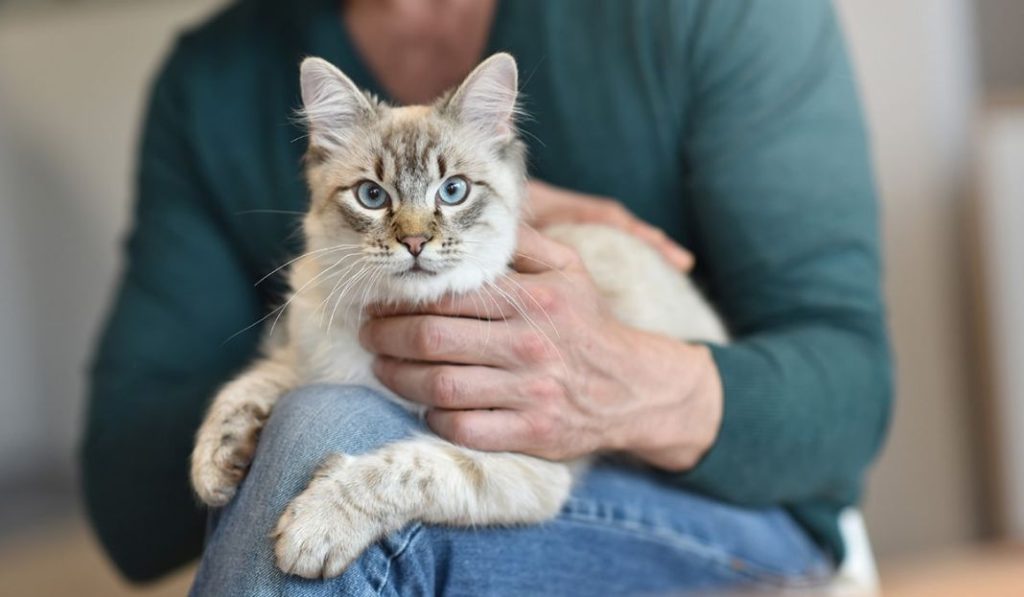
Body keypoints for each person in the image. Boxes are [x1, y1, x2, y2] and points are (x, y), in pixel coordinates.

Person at [81, 0, 892, 594]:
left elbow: (853, 389)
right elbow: (126, 498)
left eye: (452, 195)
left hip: (715, 505)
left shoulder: (716, 15)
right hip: (419, 457)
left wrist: (624, 382)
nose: (413, 234)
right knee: (319, 417)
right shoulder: (212, 80)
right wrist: (282, 373)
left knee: (328, 432)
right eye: (375, 198)